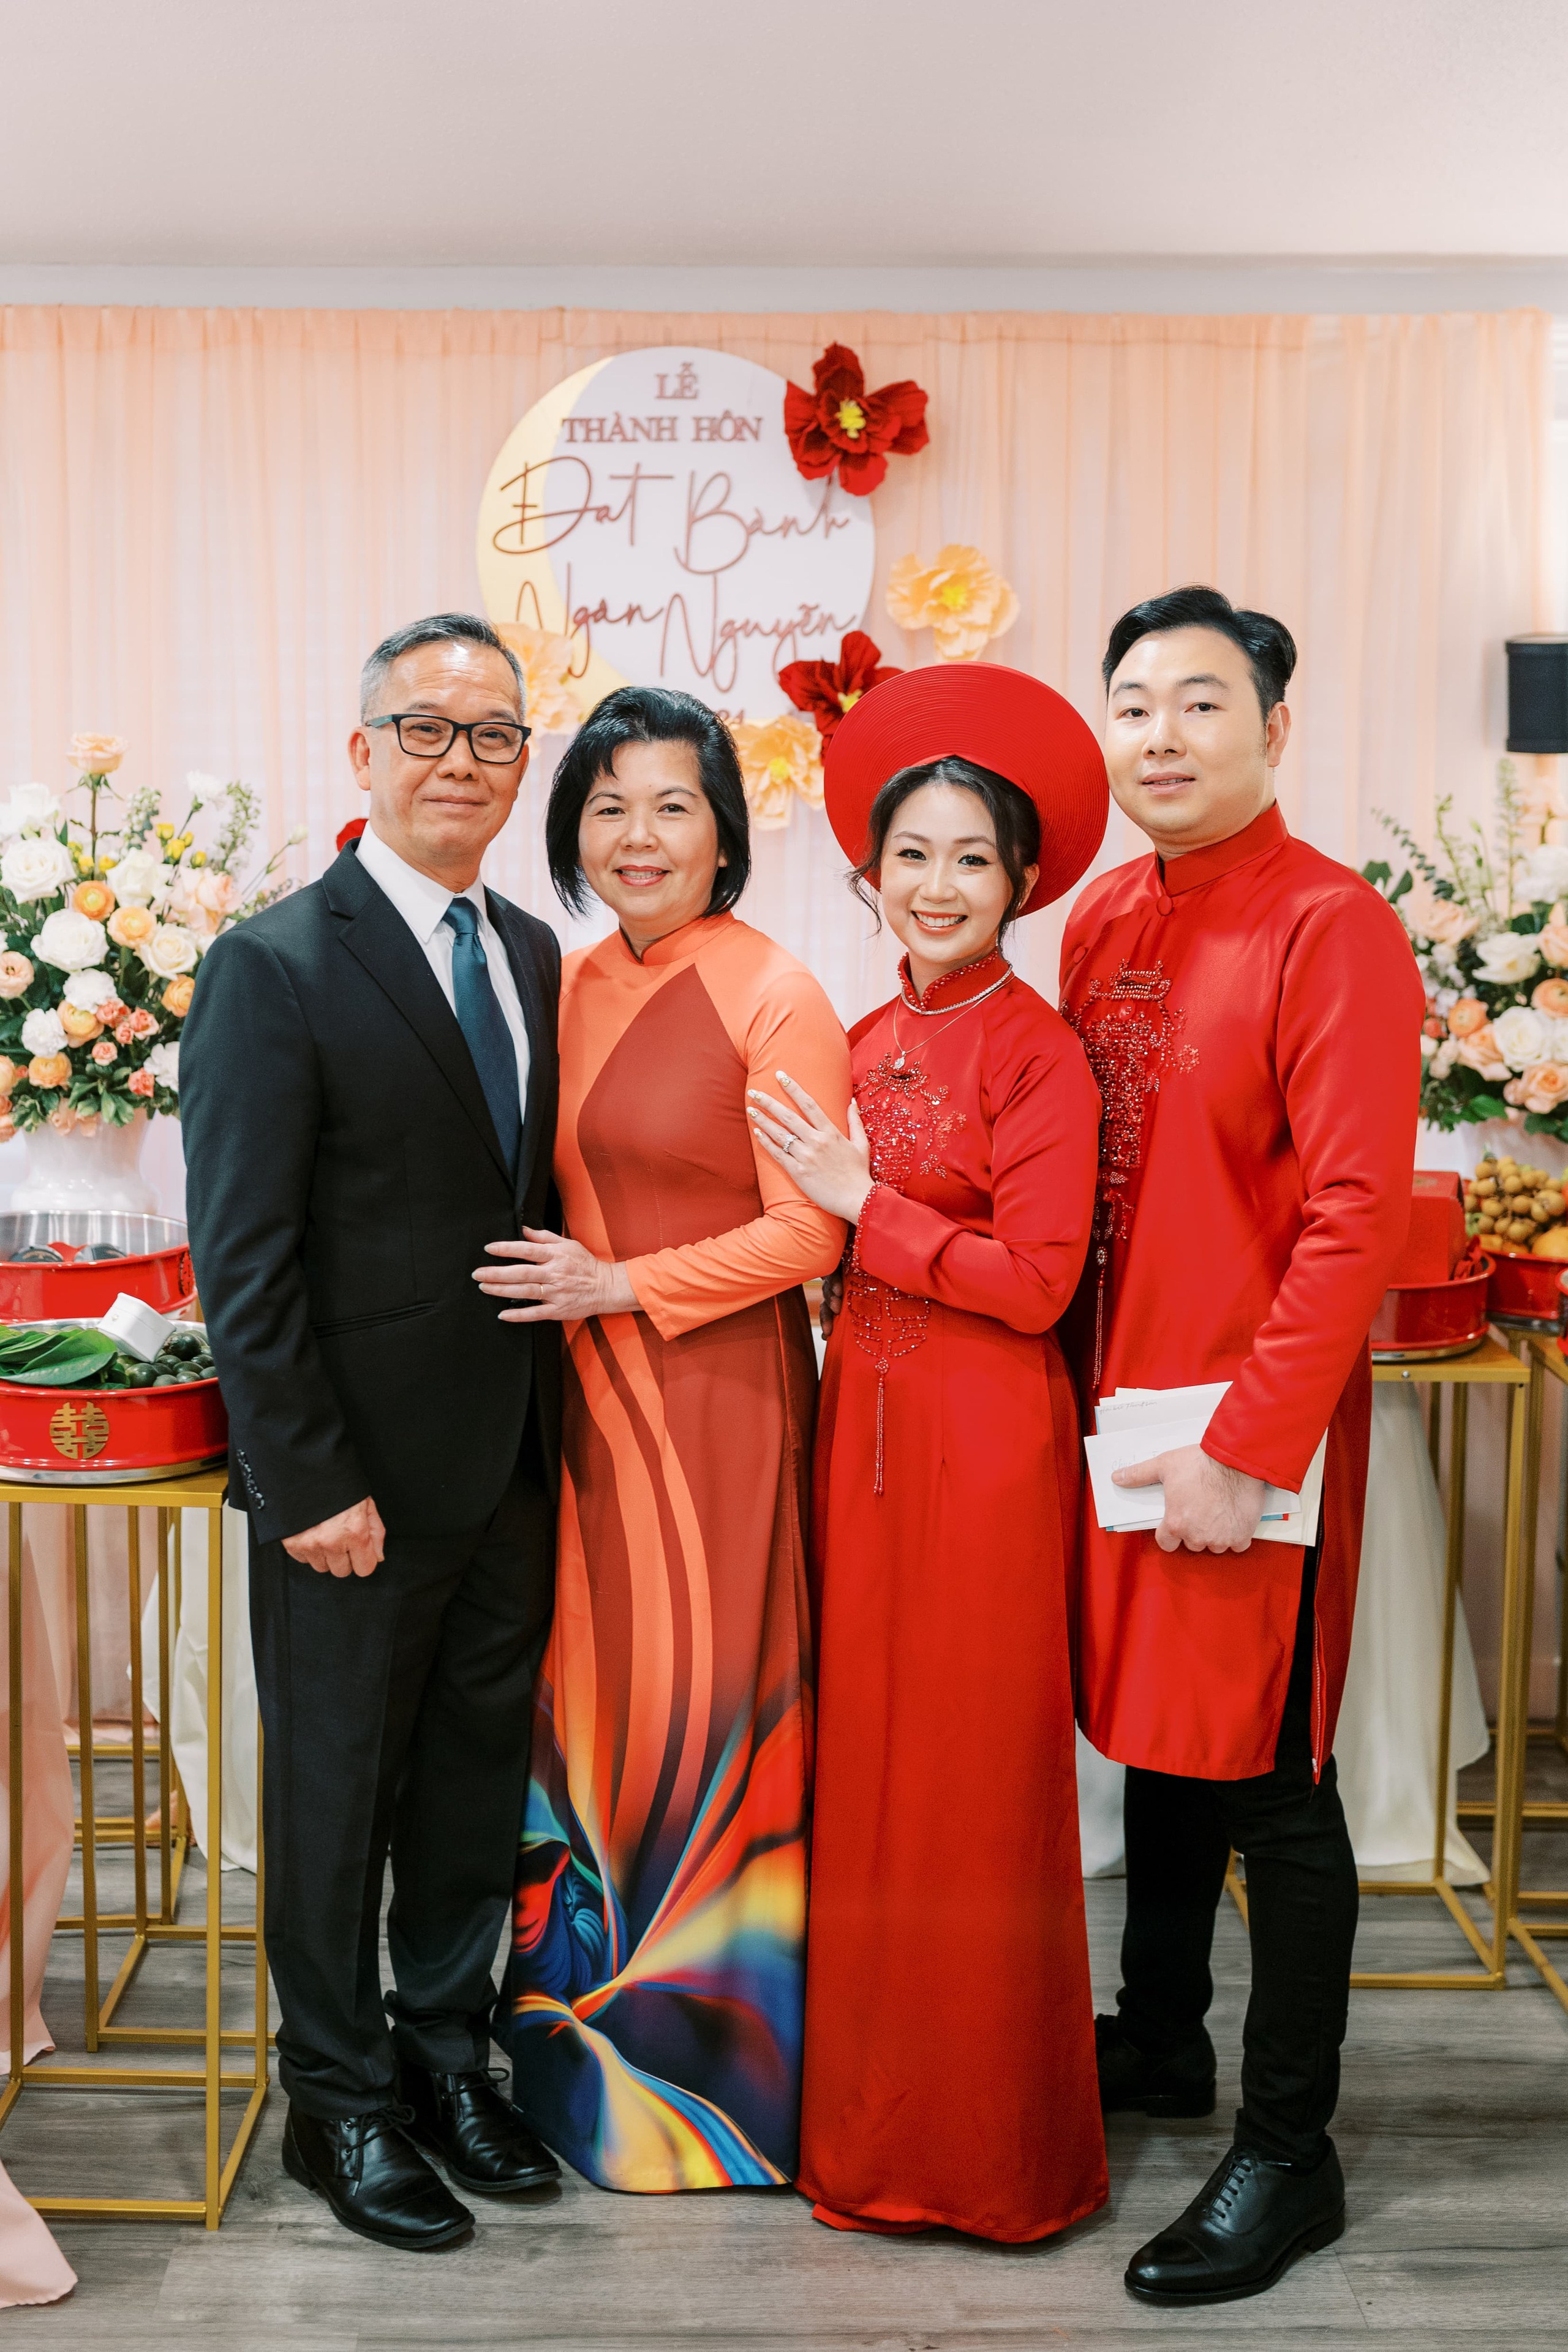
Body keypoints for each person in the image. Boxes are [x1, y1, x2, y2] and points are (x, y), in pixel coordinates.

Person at [182, 612, 563, 2253]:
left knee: (471, 1787)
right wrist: (305, 1479)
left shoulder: (532, 951)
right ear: (362, 752)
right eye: (426, 729)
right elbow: (243, 1257)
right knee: (336, 1797)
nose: (458, 761)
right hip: (351, 1486)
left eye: (492, 735)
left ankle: (444, 2056)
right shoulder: (273, 965)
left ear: (522, 764)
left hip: (509, 1460)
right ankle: (334, 2105)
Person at [1060, 586, 1422, 2305]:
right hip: (1119, 1416)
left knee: (1273, 1782)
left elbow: (1353, 1217)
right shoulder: (1100, 915)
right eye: (1134, 703)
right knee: (1159, 1742)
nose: (1162, 735)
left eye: (1200, 703)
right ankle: (1161, 2037)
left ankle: (1290, 2152)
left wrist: (1252, 1445)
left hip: (1245, 1433)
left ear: (1273, 730)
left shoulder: (1329, 925)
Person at [749, 662, 1110, 2242]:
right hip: (866, 1442)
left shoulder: (1038, 1055)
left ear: (1020, 880)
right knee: (875, 1771)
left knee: (971, 1775)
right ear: (868, 870)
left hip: (985, 1447)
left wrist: (862, 1207)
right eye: (912, 854)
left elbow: (1036, 1285)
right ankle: (868, 2131)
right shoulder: (854, 1034)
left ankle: (990, 2155)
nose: (939, 884)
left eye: (972, 857)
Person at [477, 685, 850, 2192]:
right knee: (583, 1708)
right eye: (608, 805)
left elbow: (812, 1234)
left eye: (672, 806)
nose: (637, 836)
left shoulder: (774, 992)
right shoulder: (560, 981)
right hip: (580, 1403)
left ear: (725, 833)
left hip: (719, 1406)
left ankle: (713, 2099)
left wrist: (620, 1286)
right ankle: (570, 2065)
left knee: (706, 1702)